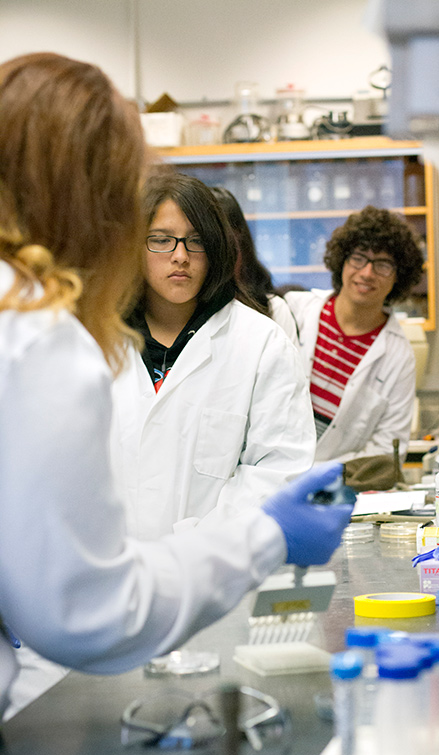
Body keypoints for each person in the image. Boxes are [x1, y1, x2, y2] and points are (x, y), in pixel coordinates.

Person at [0, 52, 353, 716]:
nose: (166, 251)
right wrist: (267, 537)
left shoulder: (250, 339)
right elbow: (88, 615)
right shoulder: (36, 334)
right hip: (96, 635)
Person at [110, 168, 315, 541]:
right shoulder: (99, 341)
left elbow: (278, 472)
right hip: (112, 572)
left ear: (217, 248)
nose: (180, 256)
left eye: (196, 241)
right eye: (160, 240)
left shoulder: (260, 343)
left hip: (215, 573)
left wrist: (194, 550)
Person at [285, 206, 424, 462]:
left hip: (334, 488)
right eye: (359, 258)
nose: (367, 273)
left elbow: (386, 450)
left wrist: (323, 477)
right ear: (342, 261)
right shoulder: (293, 311)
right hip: (268, 474)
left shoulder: (399, 357)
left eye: (382, 265)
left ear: (399, 276)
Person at [209, 185, 299, 345]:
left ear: (242, 247)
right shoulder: (184, 313)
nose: (220, 262)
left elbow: (292, 367)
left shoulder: (273, 309)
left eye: (228, 248)